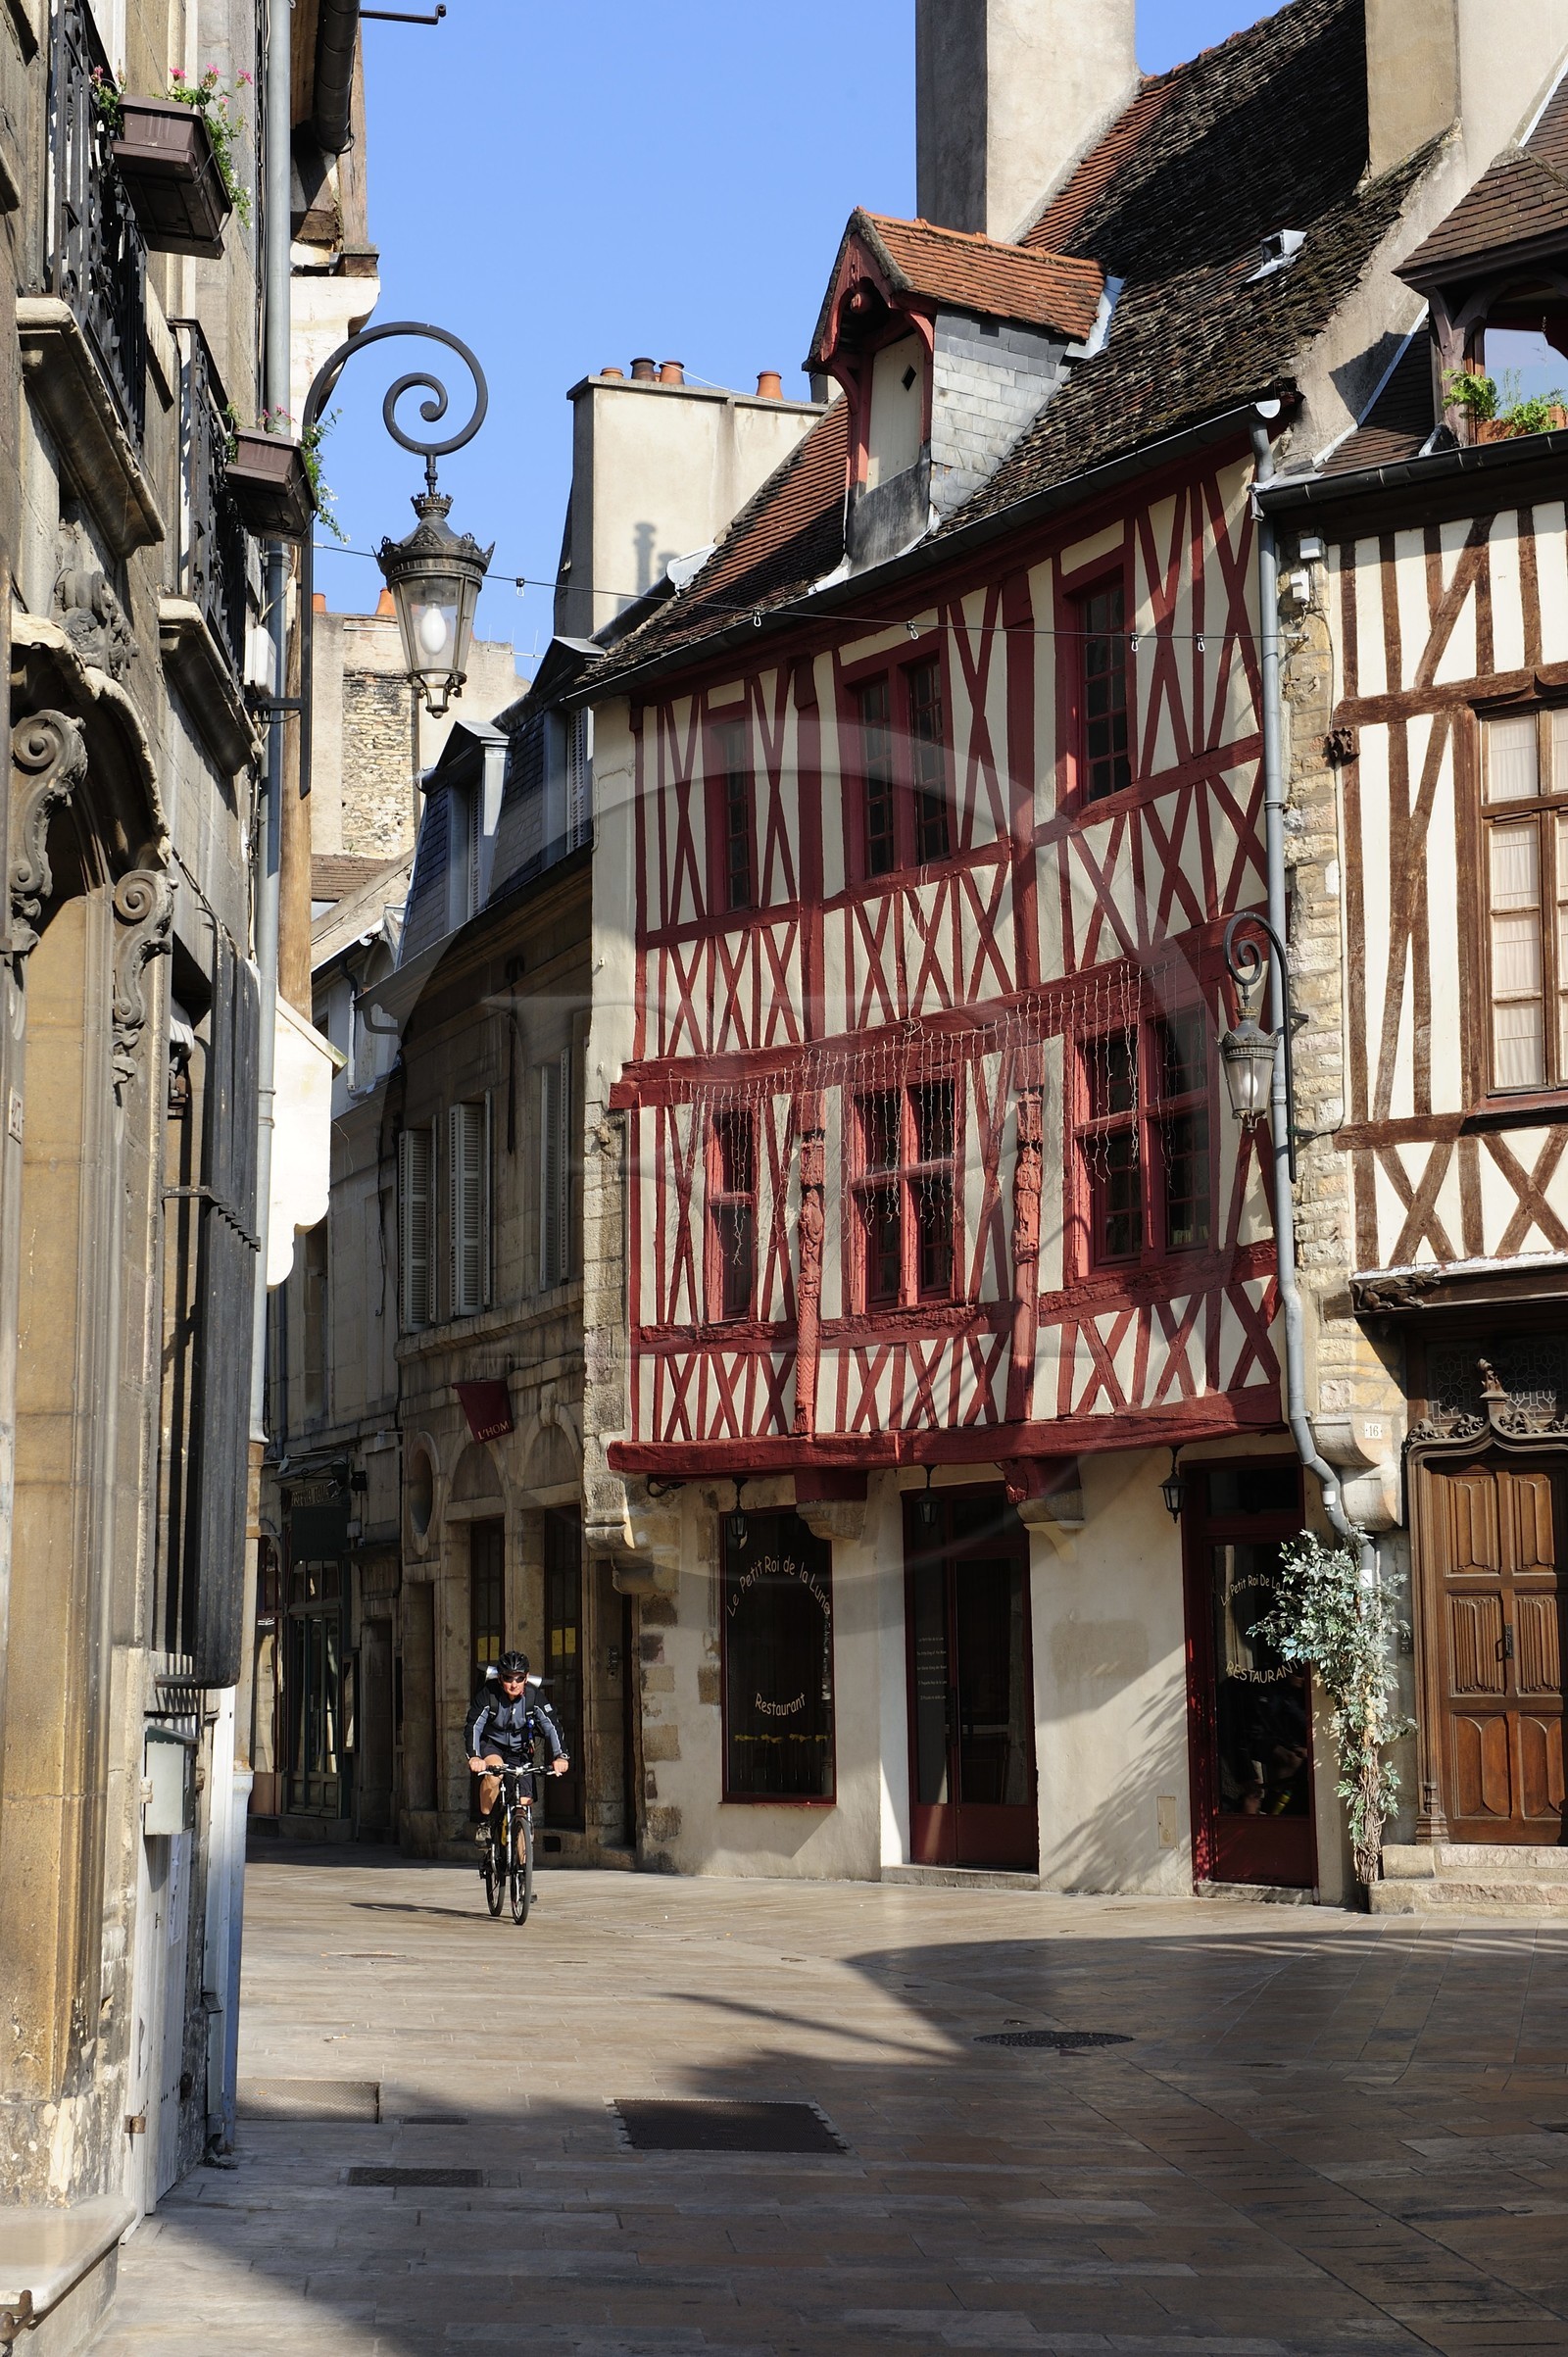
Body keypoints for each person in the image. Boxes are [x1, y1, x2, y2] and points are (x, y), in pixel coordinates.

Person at [465, 1651, 569, 1864]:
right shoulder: (488, 1695)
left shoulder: (533, 1696)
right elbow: (473, 1727)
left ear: (527, 1677)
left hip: (520, 1751)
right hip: (492, 1745)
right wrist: (475, 1757)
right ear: (500, 1677)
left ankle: (522, 1875)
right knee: (494, 1774)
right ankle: (485, 1823)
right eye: (508, 1678)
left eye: (519, 1678)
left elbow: (552, 1726)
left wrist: (561, 1755)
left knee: (524, 1804)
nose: (514, 1684)